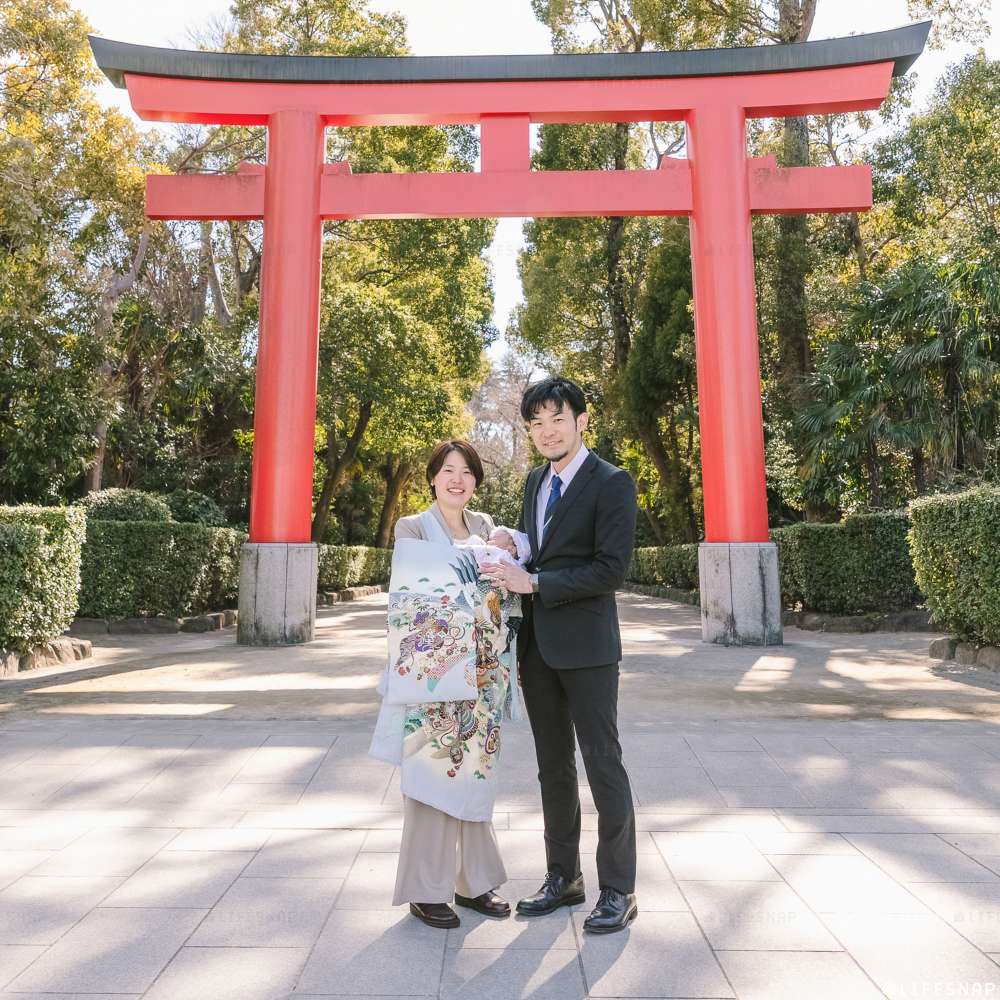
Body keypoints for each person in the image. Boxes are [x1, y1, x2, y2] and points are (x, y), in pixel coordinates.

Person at [482, 377, 639, 934]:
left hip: (589, 647)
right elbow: (543, 549)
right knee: (553, 766)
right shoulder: (535, 481)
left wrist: (536, 583)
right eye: (537, 423)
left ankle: (618, 889)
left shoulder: (612, 482)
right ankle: (563, 877)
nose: (547, 431)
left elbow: (611, 569)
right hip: (538, 646)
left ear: (581, 421)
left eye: (557, 419)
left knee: (602, 761)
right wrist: (516, 544)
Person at [369, 439, 524, 930]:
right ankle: (425, 888)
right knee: (432, 772)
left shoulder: (487, 527)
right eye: (448, 471)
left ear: (476, 480)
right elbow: (414, 594)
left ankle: (474, 882)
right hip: (435, 671)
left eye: (466, 472)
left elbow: (505, 588)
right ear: (433, 478)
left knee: (476, 773)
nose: (457, 480)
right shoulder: (413, 527)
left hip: (484, 672)